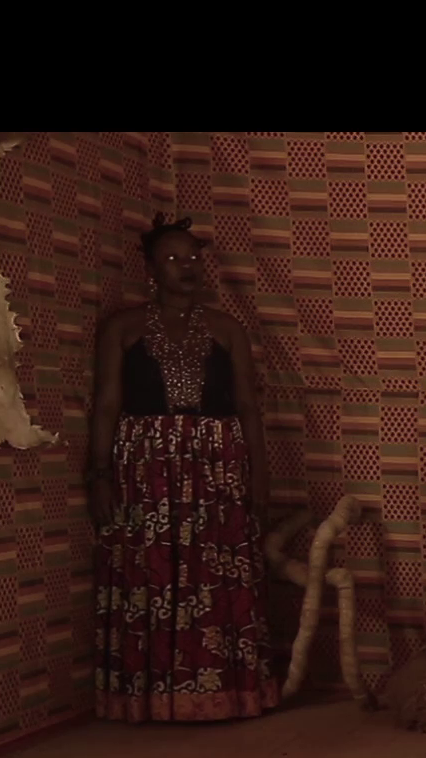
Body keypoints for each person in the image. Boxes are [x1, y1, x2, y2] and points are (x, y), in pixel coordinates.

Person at [86, 214, 281, 723]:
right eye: (173, 258)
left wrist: (259, 477)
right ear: (151, 269)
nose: (186, 266)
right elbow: (106, 406)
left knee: (216, 572)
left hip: (216, 467)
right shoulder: (122, 329)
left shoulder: (227, 329)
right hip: (145, 468)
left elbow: (248, 407)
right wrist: (99, 476)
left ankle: (223, 694)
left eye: (193, 257)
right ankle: (150, 698)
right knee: (148, 572)